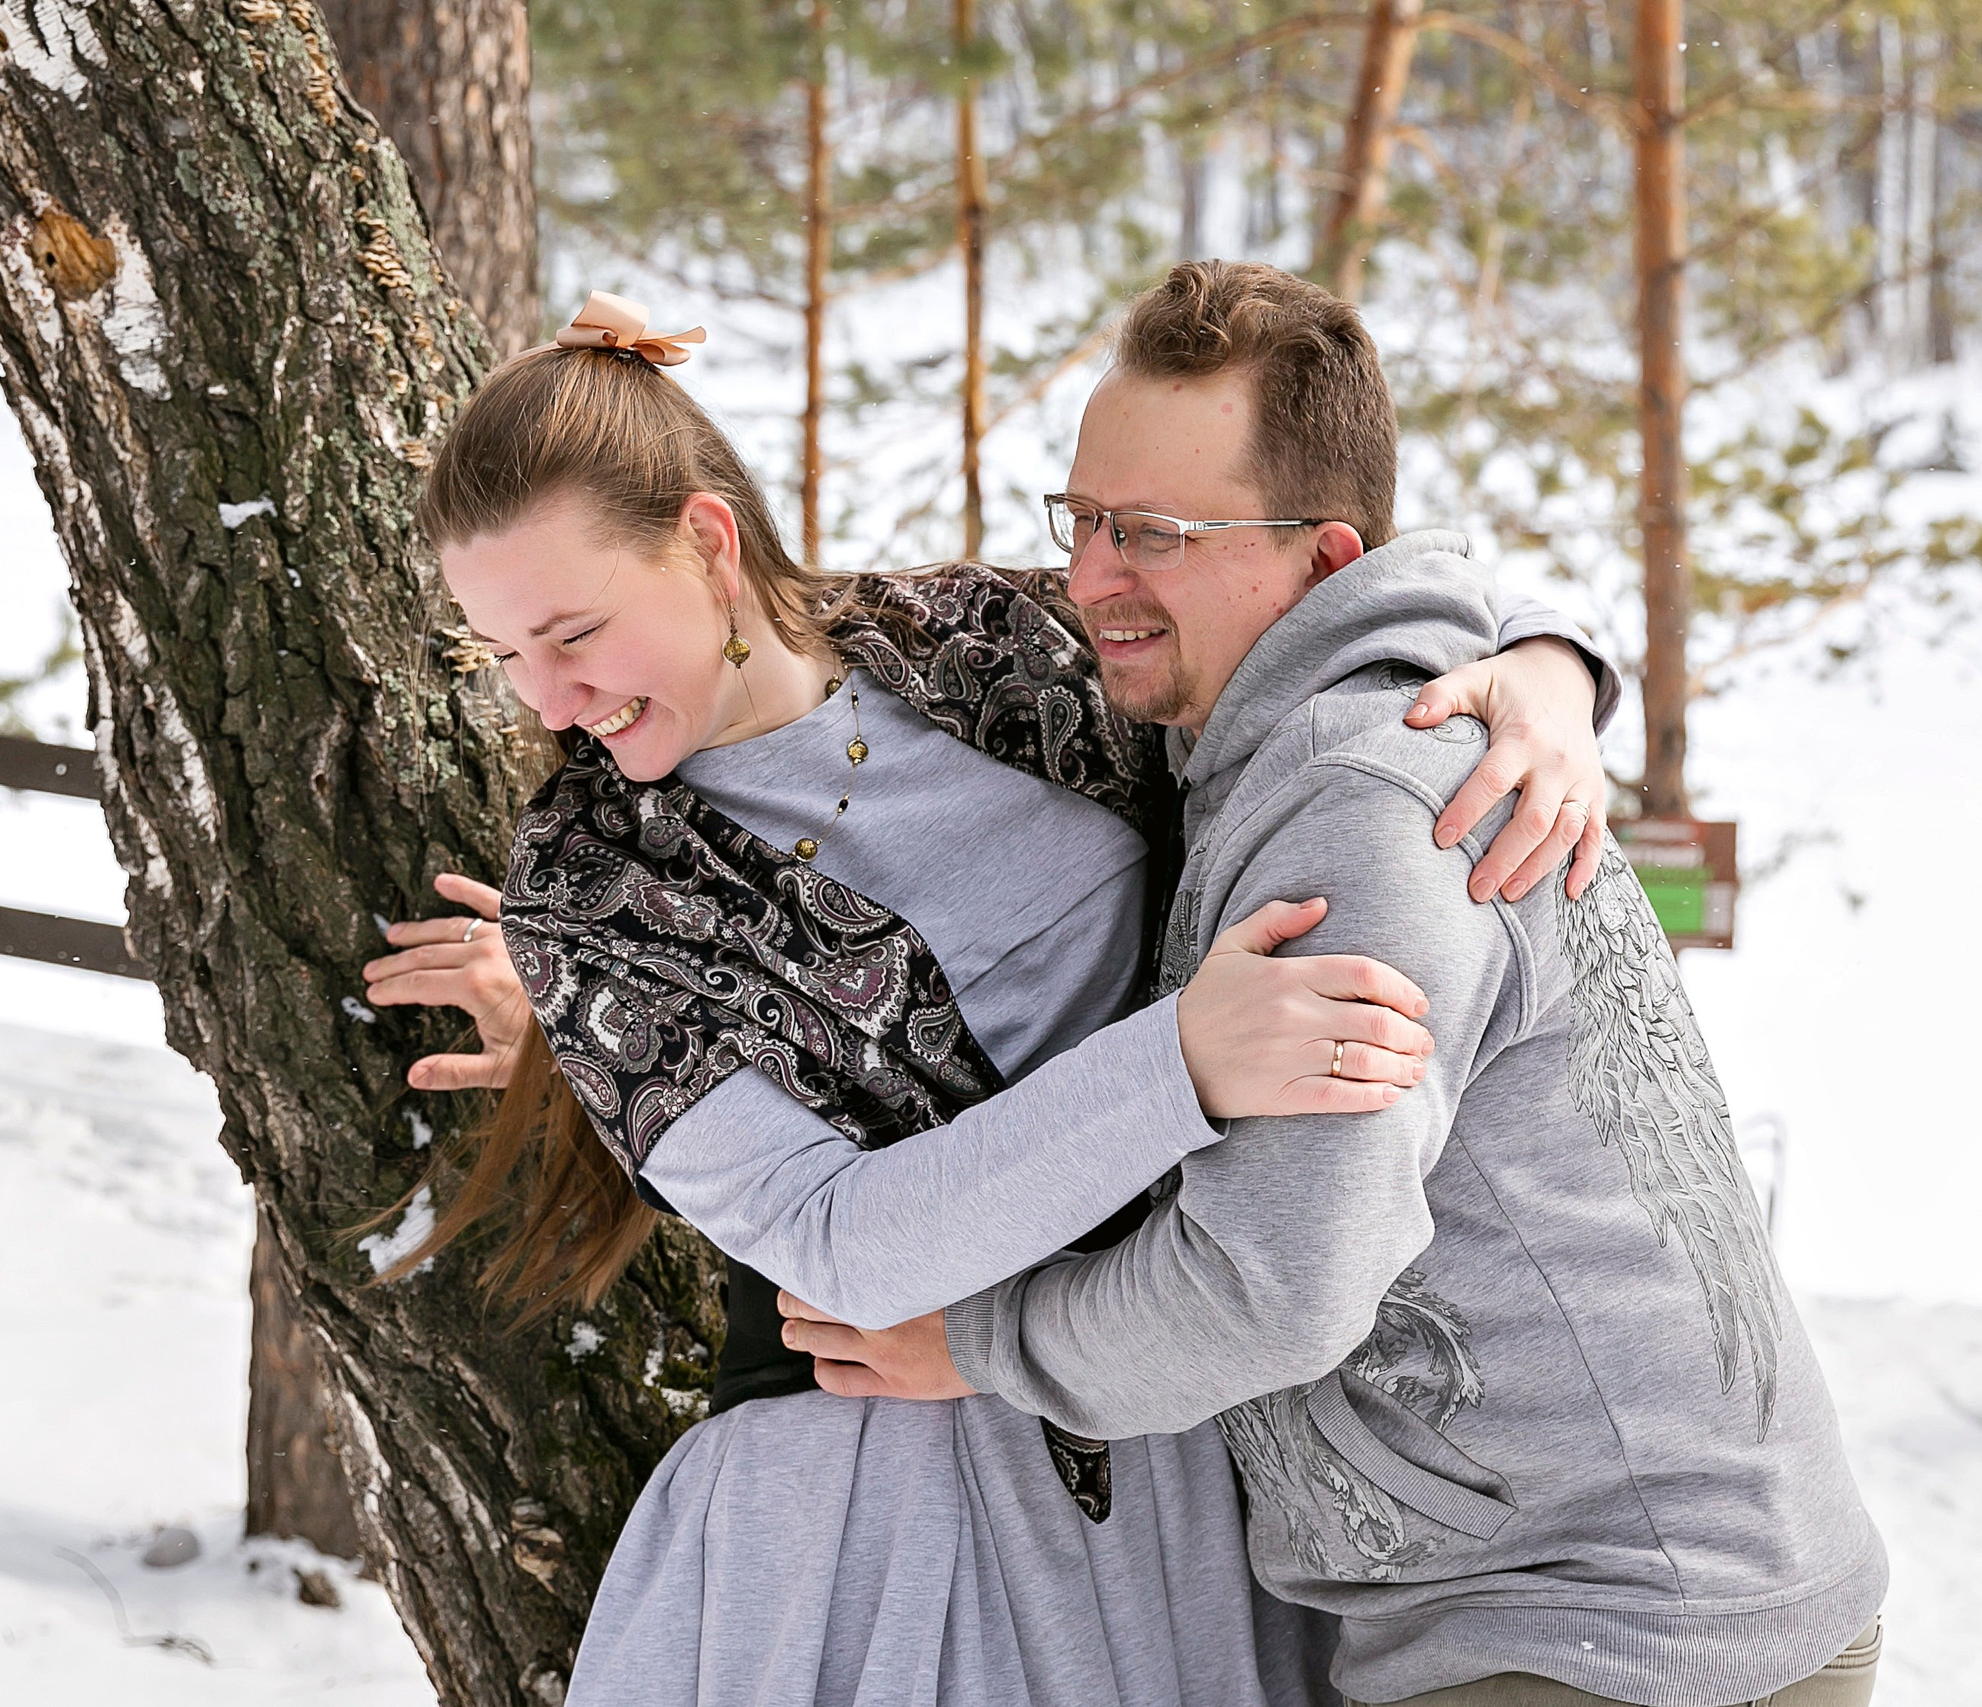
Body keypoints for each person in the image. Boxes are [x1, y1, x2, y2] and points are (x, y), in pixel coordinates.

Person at [360, 290, 1617, 1707]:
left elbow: (1296, 600)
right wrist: (1180, 1064)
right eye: (504, 656)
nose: (546, 701)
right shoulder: (587, 889)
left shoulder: (979, 639)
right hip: (867, 1504)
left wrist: (1545, 667)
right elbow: (835, 1241)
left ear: (708, 543)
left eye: (572, 633)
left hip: (1177, 1429)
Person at [783, 261, 1887, 1707]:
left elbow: (1274, 1287)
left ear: (1323, 560)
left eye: (1156, 533)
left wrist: (980, 1339)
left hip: (1608, 1631)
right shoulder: (1283, 727)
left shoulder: (1365, 807)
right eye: (1085, 518)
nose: (1093, 578)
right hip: (1607, 1610)